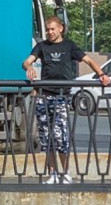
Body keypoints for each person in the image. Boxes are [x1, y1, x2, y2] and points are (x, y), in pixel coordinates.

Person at [24, 12, 83, 183]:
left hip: (61, 97)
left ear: (61, 29)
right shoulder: (42, 47)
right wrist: (28, 67)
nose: (50, 32)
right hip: (44, 96)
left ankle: (66, 172)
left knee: (60, 136)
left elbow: (86, 60)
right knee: (46, 136)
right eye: (48, 30)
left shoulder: (69, 46)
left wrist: (101, 74)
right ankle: (53, 173)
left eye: (52, 29)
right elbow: (26, 61)